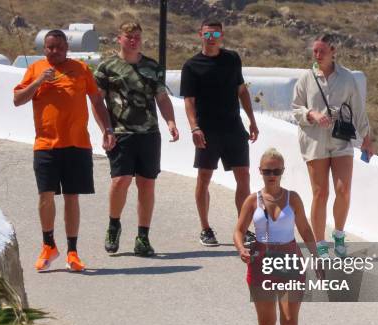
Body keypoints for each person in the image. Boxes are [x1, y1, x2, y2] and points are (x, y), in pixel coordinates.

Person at [14, 29, 114, 272]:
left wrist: (107, 129)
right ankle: (48, 245)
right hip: (46, 145)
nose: (54, 51)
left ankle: (72, 251)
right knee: (45, 195)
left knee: (72, 196)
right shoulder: (36, 69)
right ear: (44, 48)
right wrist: (39, 82)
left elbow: (97, 101)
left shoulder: (81, 69)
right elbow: (17, 99)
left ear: (67, 47)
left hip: (77, 144)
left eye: (59, 46)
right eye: (50, 47)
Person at [234, 148, 319, 325]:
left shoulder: (293, 199)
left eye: (277, 171)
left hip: (290, 260)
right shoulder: (253, 200)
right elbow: (238, 229)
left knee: (290, 320)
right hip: (261, 262)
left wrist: (317, 258)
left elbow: (304, 230)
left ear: (283, 172)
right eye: (267, 171)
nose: (272, 175)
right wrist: (241, 248)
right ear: (260, 172)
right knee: (266, 321)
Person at [94, 21, 179, 257]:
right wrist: (106, 129)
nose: (134, 40)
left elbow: (161, 97)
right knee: (120, 180)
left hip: (149, 134)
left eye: (137, 37)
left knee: (147, 183)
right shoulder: (106, 68)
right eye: (129, 36)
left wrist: (170, 121)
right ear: (119, 38)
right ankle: (114, 225)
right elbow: (96, 101)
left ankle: (143, 236)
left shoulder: (153, 67)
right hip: (121, 133)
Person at [291, 33, 374, 258]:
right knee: (320, 193)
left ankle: (338, 235)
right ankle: (320, 243)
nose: (318, 55)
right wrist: (312, 114)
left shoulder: (347, 78)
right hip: (314, 141)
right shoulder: (306, 78)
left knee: (343, 190)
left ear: (333, 51)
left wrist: (366, 137)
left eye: (322, 51)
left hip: (340, 139)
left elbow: (358, 109)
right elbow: (296, 107)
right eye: (315, 51)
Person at [180, 19, 259, 247]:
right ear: (200, 35)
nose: (212, 38)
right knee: (204, 178)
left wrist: (252, 121)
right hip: (207, 130)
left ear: (222, 36)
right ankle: (205, 228)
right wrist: (194, 127)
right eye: (208, 34)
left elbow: (241, 90)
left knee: (243, 176)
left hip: (234, 128)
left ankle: (243, 229)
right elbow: (189, 101)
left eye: (216, 35)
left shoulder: (232, 59)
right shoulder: (191, 66)